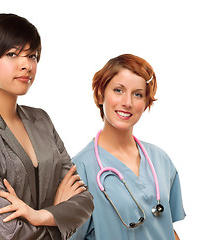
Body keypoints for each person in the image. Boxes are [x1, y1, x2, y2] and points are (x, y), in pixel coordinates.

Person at [0, 13, 93, 240]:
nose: (26, 65)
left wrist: (40, 216)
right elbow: (6, 232)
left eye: (32, 56)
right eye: (12, 54)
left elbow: (84, 201)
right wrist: (59, 218)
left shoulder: (42, 120)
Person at [70, 54, 185, 240]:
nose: (127, 102)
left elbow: (166, 228)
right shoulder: (79, 169)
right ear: (100, 95)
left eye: (138, 94)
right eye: (118, 90)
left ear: (146, 103)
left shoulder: (160, 160)